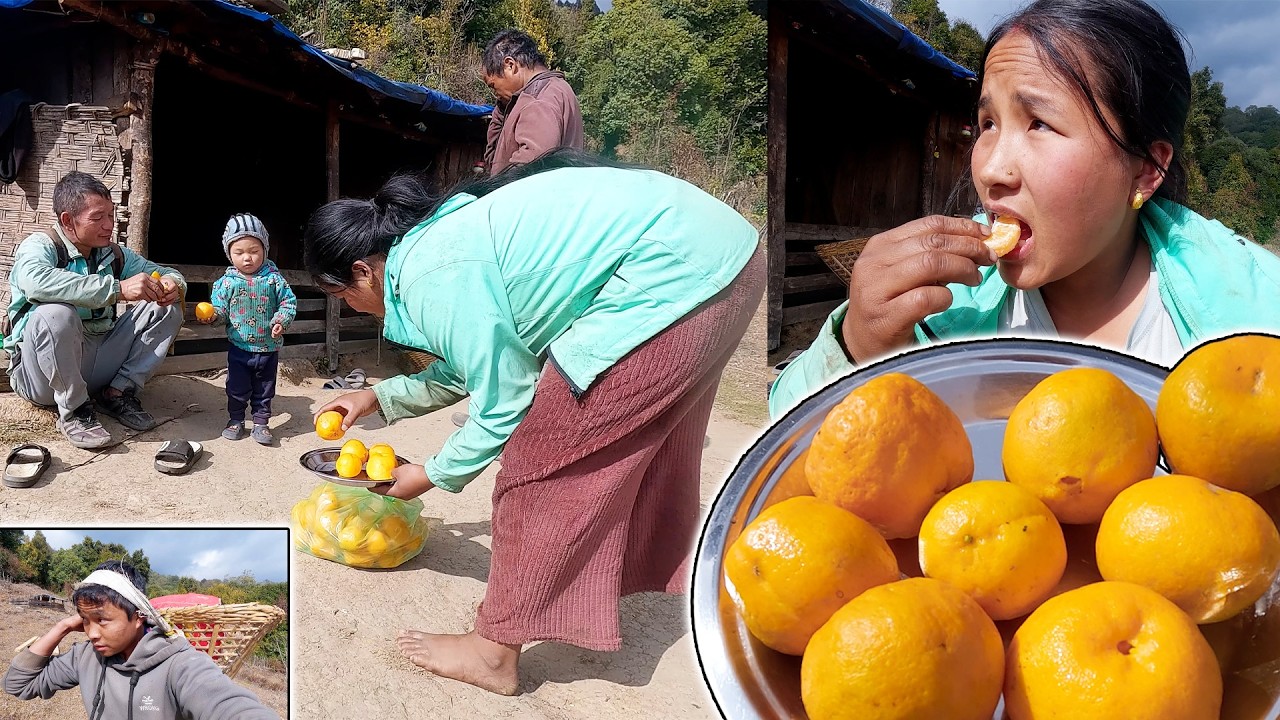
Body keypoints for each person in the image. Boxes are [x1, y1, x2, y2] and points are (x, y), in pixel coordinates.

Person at [306, 149, 762, 695]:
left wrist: (428, 475)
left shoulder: (433, 275)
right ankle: (611, 579)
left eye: (342, 296)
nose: (353, 308)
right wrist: (377, 398)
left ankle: (492, 652)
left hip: (672, 274)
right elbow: (478, 363)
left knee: (536, 466)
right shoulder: (433, 244)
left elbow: (503, 399)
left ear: (363, 269)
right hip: (720, 256)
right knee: (630, 447)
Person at [769, 0, 1280, 418]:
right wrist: (855, 346)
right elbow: (786, 424)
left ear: (1146, 169)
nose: (992, 169)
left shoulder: (1252, 313)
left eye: (1039, 123)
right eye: (988, 123)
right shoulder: (946, 306)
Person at [2, 171, 186, 447]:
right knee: (55, 314)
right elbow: (35, 282)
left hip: (97, 362)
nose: (108, 225)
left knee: (166, 308)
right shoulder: (40, 246)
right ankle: (74, 411)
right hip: (42, 378)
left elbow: (165, 273)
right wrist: (117, 289)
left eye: (111, 215)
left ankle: (117, 393)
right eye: (97, 218)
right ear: (67, 220)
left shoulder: (114, 254)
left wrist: (174, 284)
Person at [4, 560, 279, 719]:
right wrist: (62, 627)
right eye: (85, 621)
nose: (92, 632)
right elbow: (18, 685)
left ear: (138, 616)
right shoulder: (86, 656)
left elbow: (232, 708)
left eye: (102, 619)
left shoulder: (181, 665)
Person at [197, 213, 297, 445]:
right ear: (229, 254)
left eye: (254, 251)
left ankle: (261, 423)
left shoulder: (274, 280)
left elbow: (288, 303)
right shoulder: (226, 283)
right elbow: (220, 311)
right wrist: (212, 316)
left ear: (265, 249)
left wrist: (281, 319)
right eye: (239, 252)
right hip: (239, 348)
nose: (247, 258)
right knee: (236, 387)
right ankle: (236, 420)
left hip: (268, 349)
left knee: (264, 389)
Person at [481, 29, 585, 177]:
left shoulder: (537, 99)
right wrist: (502, 109)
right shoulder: (557, 89)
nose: (495, 93)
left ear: (510, 65)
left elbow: (529, 169)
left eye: (493, 85)